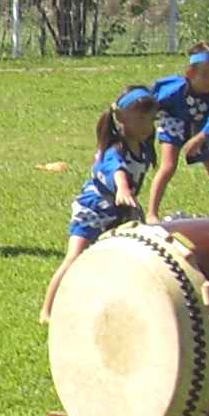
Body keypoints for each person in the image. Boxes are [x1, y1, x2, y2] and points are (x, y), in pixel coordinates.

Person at [40, 85, 159, 324]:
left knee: (128, 256)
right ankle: (47, 310)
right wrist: (123, 188)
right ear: (121, 119)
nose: (148, 125)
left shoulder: (144, 147)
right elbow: (117, 172)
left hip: (122, 211)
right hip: (93, 210)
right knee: (75, 256)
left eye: (151, 119)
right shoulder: (113, 151)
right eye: (141, 119)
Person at [143, 45, 209, 219]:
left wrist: (200, 137)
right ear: (190, 73)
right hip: (174, 121)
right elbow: (148, 100)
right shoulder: (174, 88)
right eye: (205, 74)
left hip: (202, 128)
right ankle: (151, 213)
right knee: (168, 166)